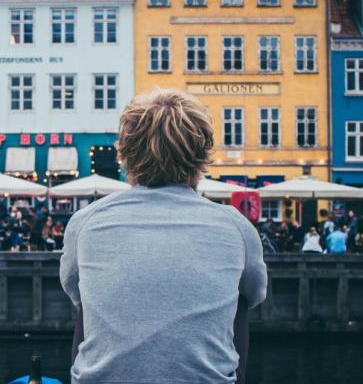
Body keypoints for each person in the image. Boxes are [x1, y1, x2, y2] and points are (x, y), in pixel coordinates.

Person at [60, 89, 266, 383]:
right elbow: (254, 295)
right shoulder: (235, 226)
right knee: (239, 299)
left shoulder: (87, 221)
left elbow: (76, 293)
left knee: (89, 299)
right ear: (201, 153)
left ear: (126, 152)